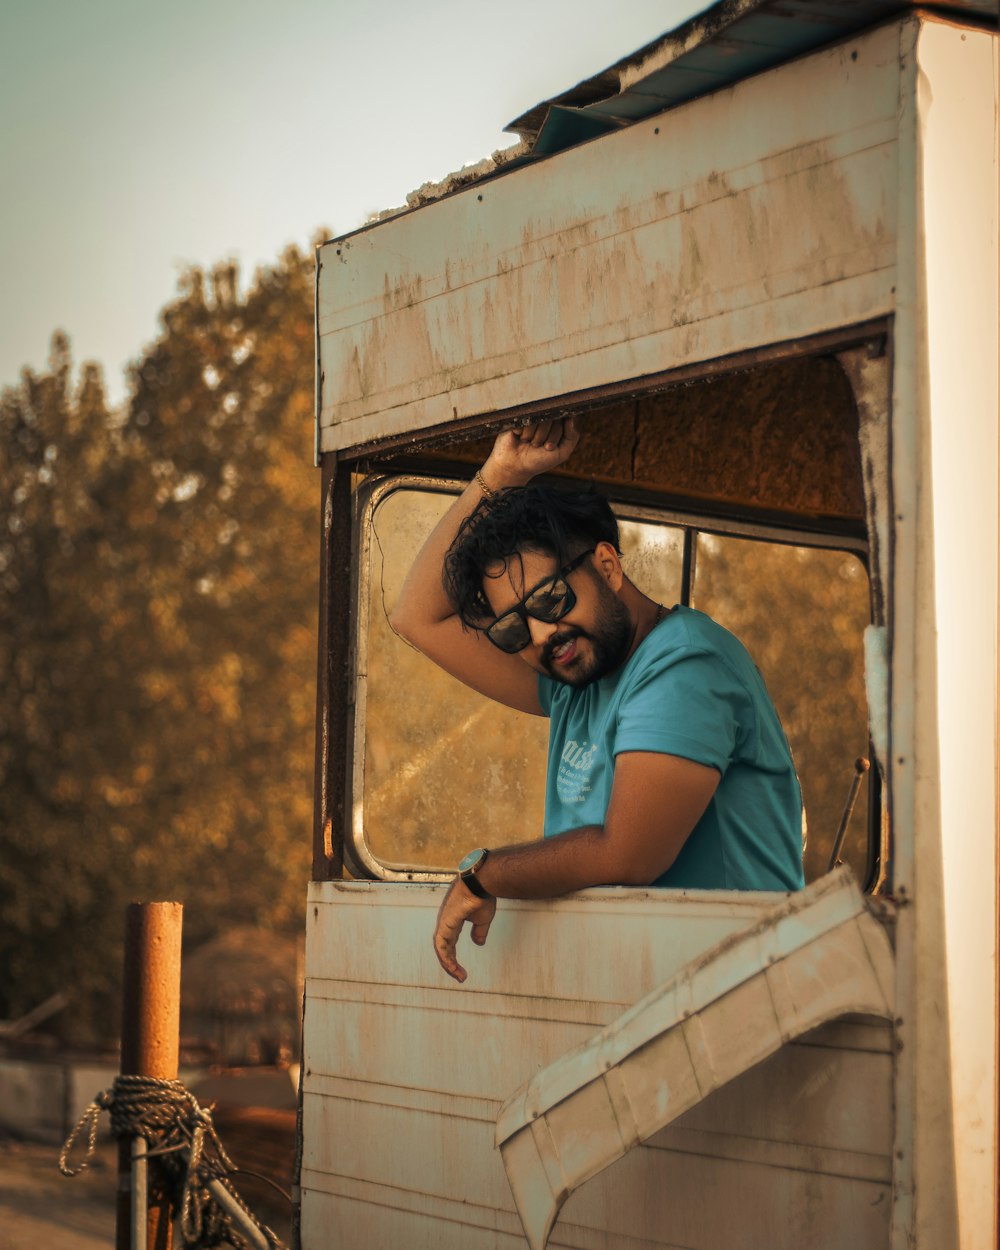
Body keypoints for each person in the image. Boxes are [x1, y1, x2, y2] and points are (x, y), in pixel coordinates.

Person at [390, 417, 805, 983]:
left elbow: (627, 855)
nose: (538, 636)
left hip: (740, 993)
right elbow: (415, 617)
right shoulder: (574, 681)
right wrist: (499, 473)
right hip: (658, 996)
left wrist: (484, 874)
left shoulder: (685, 665)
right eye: (513, 629)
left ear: (607, 566)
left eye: (551, 600)